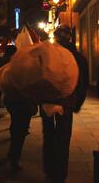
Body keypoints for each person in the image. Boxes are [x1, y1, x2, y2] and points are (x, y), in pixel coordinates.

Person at [41, 25, 88, 182]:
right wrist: (76, 103)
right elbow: (83, 83)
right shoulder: (78, 57)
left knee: (48, 135)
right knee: (63, 138)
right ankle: (60, 174)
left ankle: (49, 170)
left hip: (47, 101)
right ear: (70, 37)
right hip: (66, 103)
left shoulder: (48, 55)